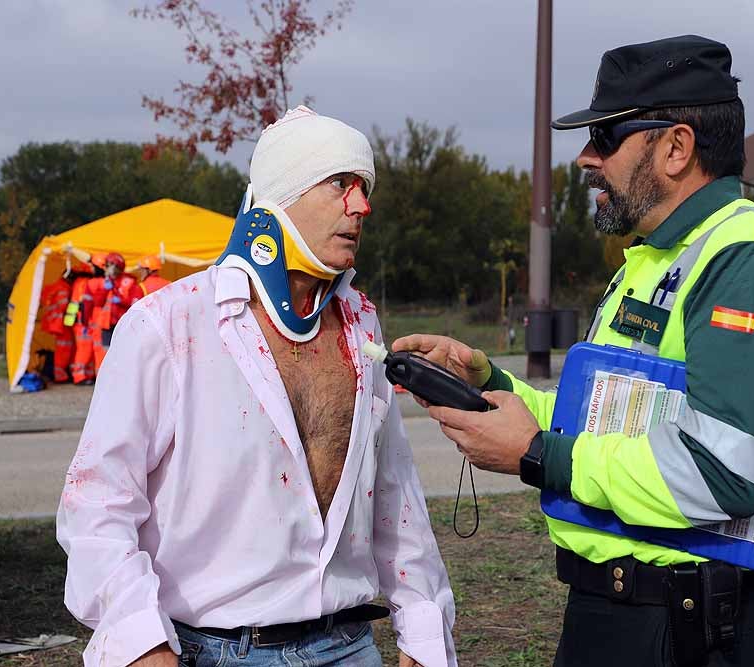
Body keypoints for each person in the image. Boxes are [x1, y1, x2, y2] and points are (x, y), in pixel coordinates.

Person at [395, 36, 754, 667]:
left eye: (606, 136)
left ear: (676, 147)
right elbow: (612, 423)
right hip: (618, 615)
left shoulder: (742, 259)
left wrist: (540, 456)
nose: (584, 158)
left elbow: (725, 470)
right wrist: (494, 387)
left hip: (688, 631)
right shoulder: (653, 259)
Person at [58, 106, 456, 667]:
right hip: (211, 651)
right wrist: (140, 645)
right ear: (281, 196)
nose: (362, 206)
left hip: (350, 646)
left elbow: (395, 497)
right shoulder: (168, 325)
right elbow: (96, 504)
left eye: (364, 189)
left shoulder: (361, 325)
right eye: (340, 184)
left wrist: (424, 634)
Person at [91, 252, 143, 367]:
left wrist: (120, 300)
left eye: (110, 265)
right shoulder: (106, 282)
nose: (108, 269)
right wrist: (105, 289)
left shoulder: (130, 282)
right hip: (107, 325)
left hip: (122, 325)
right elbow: (98, 302)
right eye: (107, 266)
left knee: (122, 354)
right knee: (106, 355)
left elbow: (135, 303)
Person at [67, 252, 108, 385]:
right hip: (85, 321)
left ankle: (86, 375)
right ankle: (80, 376)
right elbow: (84, 303)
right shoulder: (86, 283)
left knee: (90, 348)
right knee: (87, 348)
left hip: (86, 321)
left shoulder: (83, 282)